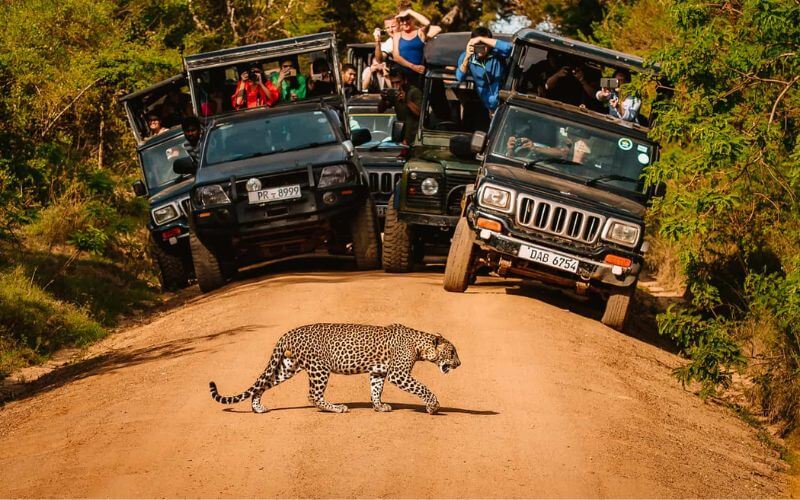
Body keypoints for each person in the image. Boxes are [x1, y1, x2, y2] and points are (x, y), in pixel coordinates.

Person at [455, 27, 512, 112]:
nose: (481, 47)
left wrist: (481, 39)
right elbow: (459, 77)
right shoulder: (466, 56)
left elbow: (509, 48)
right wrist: (467, 57)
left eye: (484, 44)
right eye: (478, 44)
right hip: (483, 100)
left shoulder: (496, 52)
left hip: (502, 98)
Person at [392, 8, 441, 84]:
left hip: (419, 75)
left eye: (407, 18)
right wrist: (413, 66)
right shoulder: (397, 35)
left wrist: (409, 11)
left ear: (412, 19)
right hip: (404, 76)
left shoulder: (420, 32)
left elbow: (427, 23)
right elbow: (396, 57)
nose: (405, 22)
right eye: (402, 20)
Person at [378, 66, 422, 145]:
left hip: (414, 138)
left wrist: (407, 101)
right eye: (393, 83)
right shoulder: (394, 93)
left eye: (398, 82)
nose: (396, 86)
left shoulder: (414, 92)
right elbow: (380, 110)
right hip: (401, 137)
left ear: (405, 80)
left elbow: (420, 114)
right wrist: (383, 99)